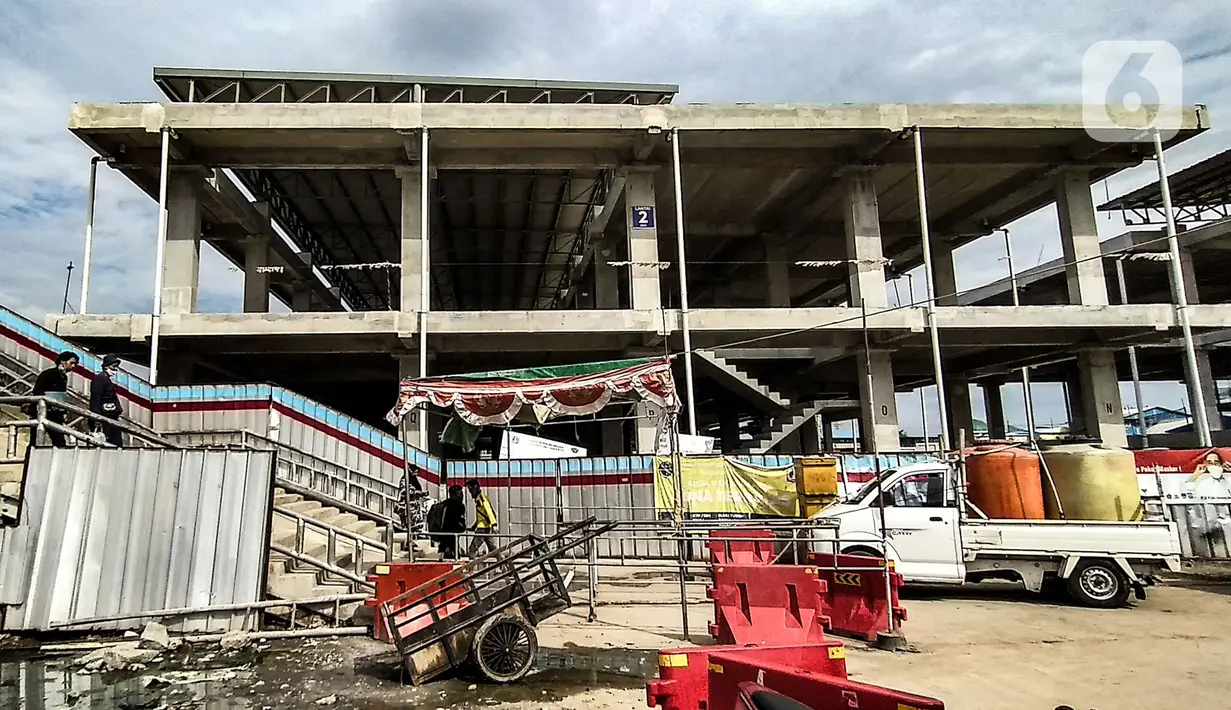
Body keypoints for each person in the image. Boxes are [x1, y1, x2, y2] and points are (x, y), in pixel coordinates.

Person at [30, 351, 78, 447]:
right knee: (35, 441)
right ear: (63, 362)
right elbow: (37, 390)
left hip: (56, 413)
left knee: (59, 440)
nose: (73, 366)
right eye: (71, 363)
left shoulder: (64, 377)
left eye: (75, 364)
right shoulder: (48, 374)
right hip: (42, 412)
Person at [90, 354, 124, 447]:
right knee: (112, 443)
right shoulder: (100, 380)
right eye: (113, 366)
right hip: (105, 417)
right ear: (105, 366)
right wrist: (96, 416)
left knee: (115, 443)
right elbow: (95, 398)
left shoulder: (105, 379)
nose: (115, 369)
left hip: (111, 416)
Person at [465, 479, 499, 558]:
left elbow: (488, 511)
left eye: (470, 490)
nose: (470, 492)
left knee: (472, 549)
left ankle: (471, 568)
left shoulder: (482, 498)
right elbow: (482, 514)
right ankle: (504, 566)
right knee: (493, 550)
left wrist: (494, 524)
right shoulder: (479, 498)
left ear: (475, 488)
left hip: (482, 528)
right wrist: (474, 526)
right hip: (486, 527)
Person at [440, 484, 467, 560]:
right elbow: (459, 522)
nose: (462, 496)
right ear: (453, 495)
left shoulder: (444, 504)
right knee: (454, 557)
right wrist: (462, 527)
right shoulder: (459, 506)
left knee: (446, 557)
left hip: (443, 536)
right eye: (460, 494)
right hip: (451, 536)